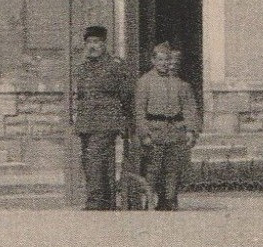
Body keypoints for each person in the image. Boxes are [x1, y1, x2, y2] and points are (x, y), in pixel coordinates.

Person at [133, 41, 200, 211]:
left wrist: (191, 130)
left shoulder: (179, 83)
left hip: (174, 131)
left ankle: (169, 200)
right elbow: (139, 111)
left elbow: (189, 109)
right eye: (160, 60)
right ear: (153, 61)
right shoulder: (145, 82)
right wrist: (144, 134)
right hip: (154, 130)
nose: (164, 64)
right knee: (153, 169)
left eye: (167, 60)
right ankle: (149, 200)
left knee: (172, 168)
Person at [73, 25, 130, 210]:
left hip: (106, 121)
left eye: (96, 42)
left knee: (94, 159)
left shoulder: (115, 66)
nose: (92, 46)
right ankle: (105, 201)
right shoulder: (81, 68)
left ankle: (95, 202)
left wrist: (124, 120)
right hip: (86, 123)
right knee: (91, 162)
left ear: (104, 44)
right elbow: (79, 96)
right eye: (89, 42)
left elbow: (125, 94)